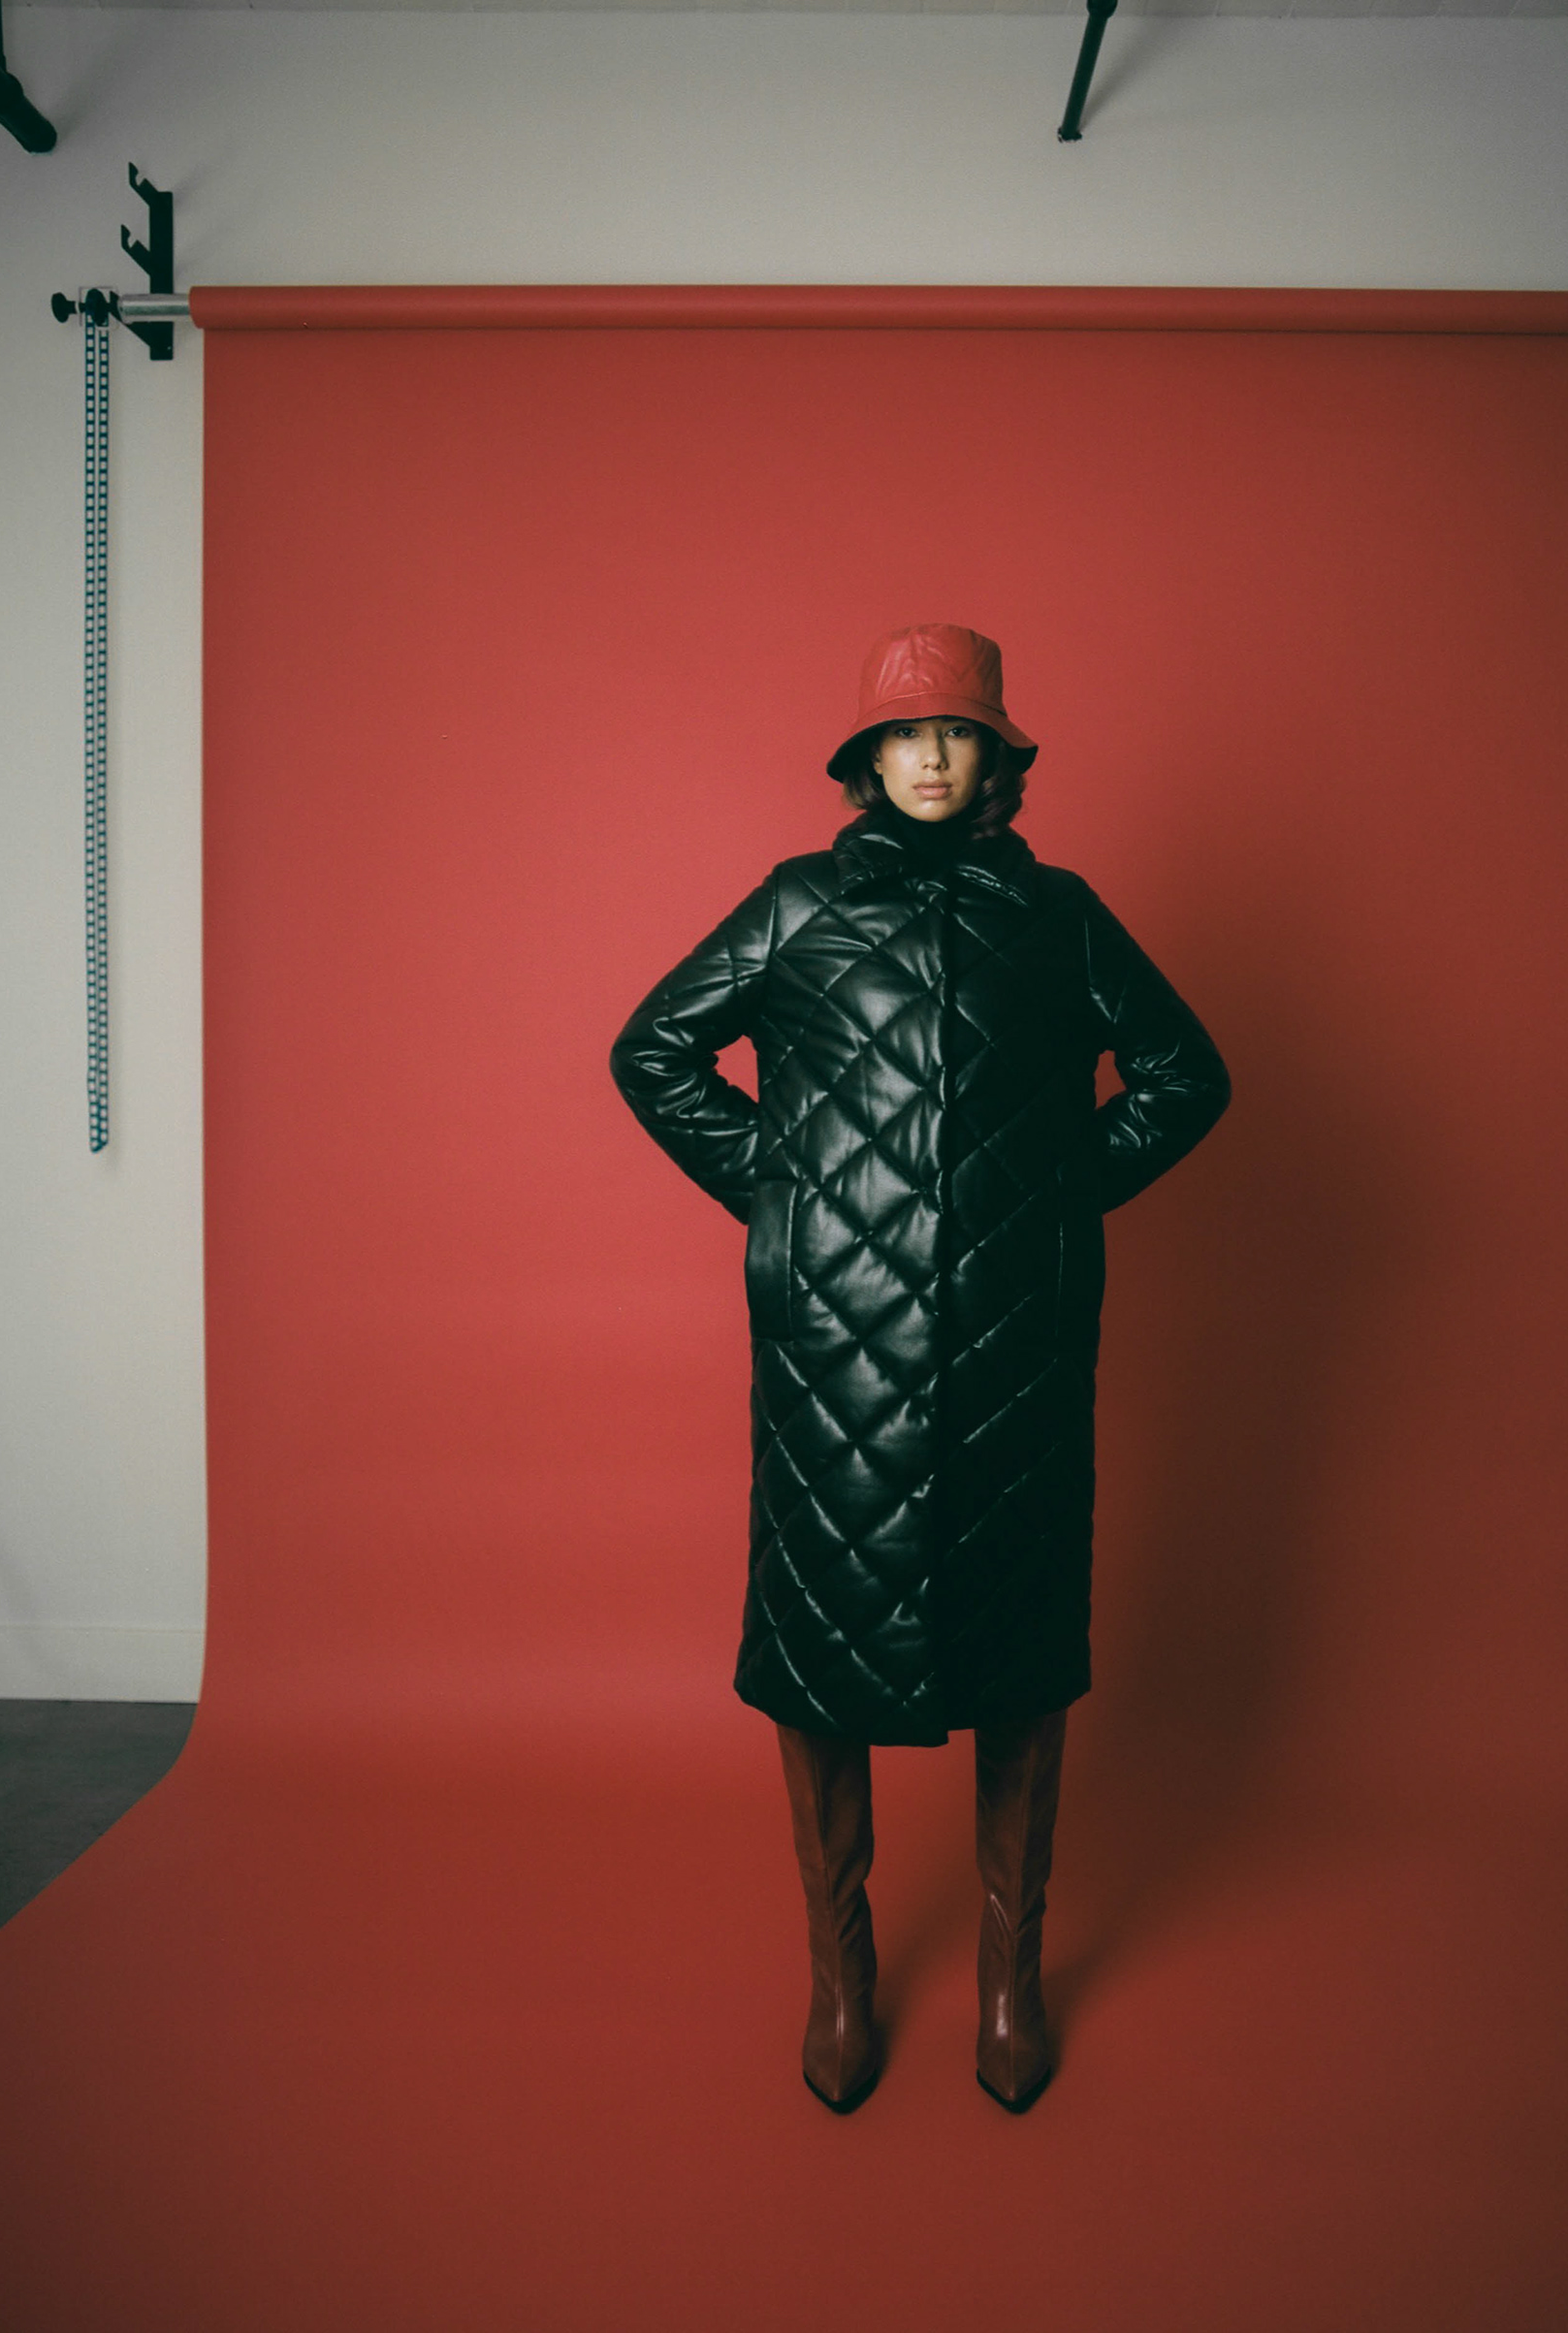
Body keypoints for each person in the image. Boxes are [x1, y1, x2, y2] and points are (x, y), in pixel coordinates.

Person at [610, 622, 1230, 2115]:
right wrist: (788, 1192)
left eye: (958, 732)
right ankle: (842, 1975)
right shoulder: (800, 904)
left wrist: (1056, 1195)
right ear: (867, 758)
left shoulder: (1060, 916)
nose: (933, 756)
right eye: (906, 733)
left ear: (997, 754)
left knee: (1024, 1642)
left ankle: (1012, 1979)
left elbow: (1186, 1075)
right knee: (820, 1643)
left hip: (1020, 1339)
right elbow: (654, 1051)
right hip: (833, 1340)